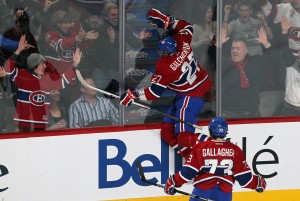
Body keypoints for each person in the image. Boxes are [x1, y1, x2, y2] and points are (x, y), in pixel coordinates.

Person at [120, 8, 213, 158]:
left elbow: (154, 93)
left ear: (166, 52)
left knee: (183, 137)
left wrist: (134, 94)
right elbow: (187, 27)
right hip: (196, 86)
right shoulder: (182, 42)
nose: (160, 54)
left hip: (190, 97)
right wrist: (168, 22)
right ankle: (187, 156)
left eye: (162, 52)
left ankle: (216, 145)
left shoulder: (166, 66)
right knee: (167, 130)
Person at [164, 117, 267, 201]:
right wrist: (258, 183)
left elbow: (188, 172)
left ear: (210, 131)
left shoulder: (201, 147)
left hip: (202, 191)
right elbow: (244, 179)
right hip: (224, 194)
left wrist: (173, 182)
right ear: (226, 132)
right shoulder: (235, 150)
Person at [0, 35, 80, 132]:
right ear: (34, 65)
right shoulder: (23, 76)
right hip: (24, 124)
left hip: (41, 124)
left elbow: (64, 80)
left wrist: (75, 64)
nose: (45, 66)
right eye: (42, 63)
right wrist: (18, 50)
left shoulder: (48, 79)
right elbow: (8, 68)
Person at [90, 2, 152, 94]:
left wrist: (140, 39)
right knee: (101, 97)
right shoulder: (99, 30)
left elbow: (135, 44)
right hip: (101, 71)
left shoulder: (123, 28)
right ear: (106, 16)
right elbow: (101, 51)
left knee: (118, 98)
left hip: (117, 70)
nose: (116, 17)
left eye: (117, 14)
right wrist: (112, 40)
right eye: (113, 15)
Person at [220, 27, 273, 118]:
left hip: (253, 114)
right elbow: (211, 58)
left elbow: (272, 58)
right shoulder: (225, 64)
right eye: (233, 48)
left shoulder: (255, 62)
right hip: (229, 114)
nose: (234, 51)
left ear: (246, 51)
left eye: (238, 48)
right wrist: (218, 44)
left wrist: (265, 43)